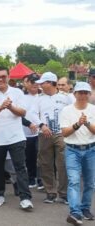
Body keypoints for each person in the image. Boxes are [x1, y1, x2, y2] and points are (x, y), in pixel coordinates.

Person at [0, 66, 33, 210]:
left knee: (20, 168)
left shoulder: (17, 92)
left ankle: (25, 198)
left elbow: (22, 112)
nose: (1, 79)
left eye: (3, 76)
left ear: (8, 77)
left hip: (16, 137)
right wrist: (1, 107)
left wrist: (10, 107)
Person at [33, 72, 72, 204]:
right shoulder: (39, 98)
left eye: (43, 83)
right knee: (45, 163)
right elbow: (32, 114)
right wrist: (41, 125)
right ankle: (50, 192)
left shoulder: (66, 98)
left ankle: (63, 193)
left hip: (62, 133)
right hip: (44, 134)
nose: (41, 85)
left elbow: (73, 112)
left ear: (50, 83)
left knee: (63, 163)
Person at [60, 82, 95, 225]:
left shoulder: (93, 109)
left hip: (91, 149)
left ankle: (85, 208)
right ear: (74, 94)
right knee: (74, 181)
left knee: (90, 182)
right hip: (72, 150)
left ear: (89, 95)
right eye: (80, 92)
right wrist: (77, 124)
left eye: (85, 93)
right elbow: (64, 133)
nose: (83, 95)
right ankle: (75, 212)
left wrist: (86, 123)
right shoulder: (66, 110)